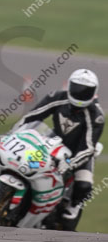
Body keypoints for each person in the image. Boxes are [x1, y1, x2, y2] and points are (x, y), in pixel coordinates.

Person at [16, 68, 104, 230]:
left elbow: (88, 147)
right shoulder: (57, 97)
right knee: (28, 163)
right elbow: (32, 116)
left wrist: (70, 163)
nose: (80, 94)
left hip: (80, 154)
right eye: (77, 88)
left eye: (85, 91)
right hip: (53, 144)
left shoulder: (96, 115)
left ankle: (73, 208)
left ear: (94, 92)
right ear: (69, 86)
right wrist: (15, 133)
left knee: (84, 185)